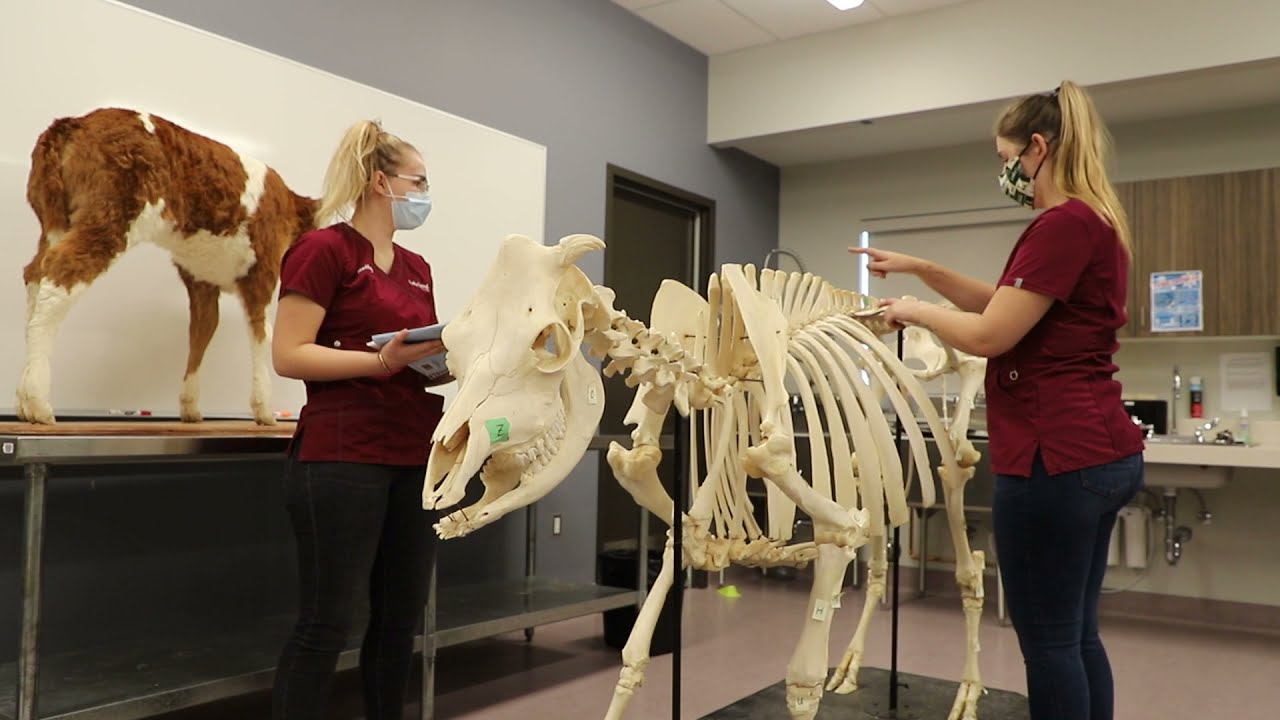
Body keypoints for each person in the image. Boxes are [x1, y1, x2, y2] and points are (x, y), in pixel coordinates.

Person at [851, 80, 1145, 720]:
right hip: (1098, 453)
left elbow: (989, 335)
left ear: (1036, 148)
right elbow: (1003, 304)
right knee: (1075, 633)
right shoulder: (1091, 222)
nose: (1005, 172)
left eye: (1004, 158)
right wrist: (923, 271)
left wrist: (916, 312)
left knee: (1048, 642)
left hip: (1055, 457)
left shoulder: (1062, 225)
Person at [269, 118, 451, 720]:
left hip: (413, 456)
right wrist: (379, 361)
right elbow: (289, 354)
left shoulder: (418, 266)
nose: (426, 192)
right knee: (327, 622)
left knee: (399, 622)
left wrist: (452, 365)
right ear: (380, 182)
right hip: (342, 456)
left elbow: (411, 356)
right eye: (418, 180)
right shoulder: (323, 250)